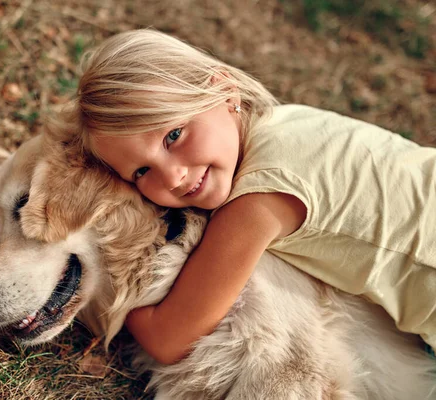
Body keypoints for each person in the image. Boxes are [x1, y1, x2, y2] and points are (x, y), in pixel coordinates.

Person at [63, 29, 436, 365]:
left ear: (226, 92)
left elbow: (169, 339)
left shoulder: (259, 200)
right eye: (141, 172)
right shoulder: (286, 123)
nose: (173, 177)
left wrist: (112, 298)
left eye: (173, 136)